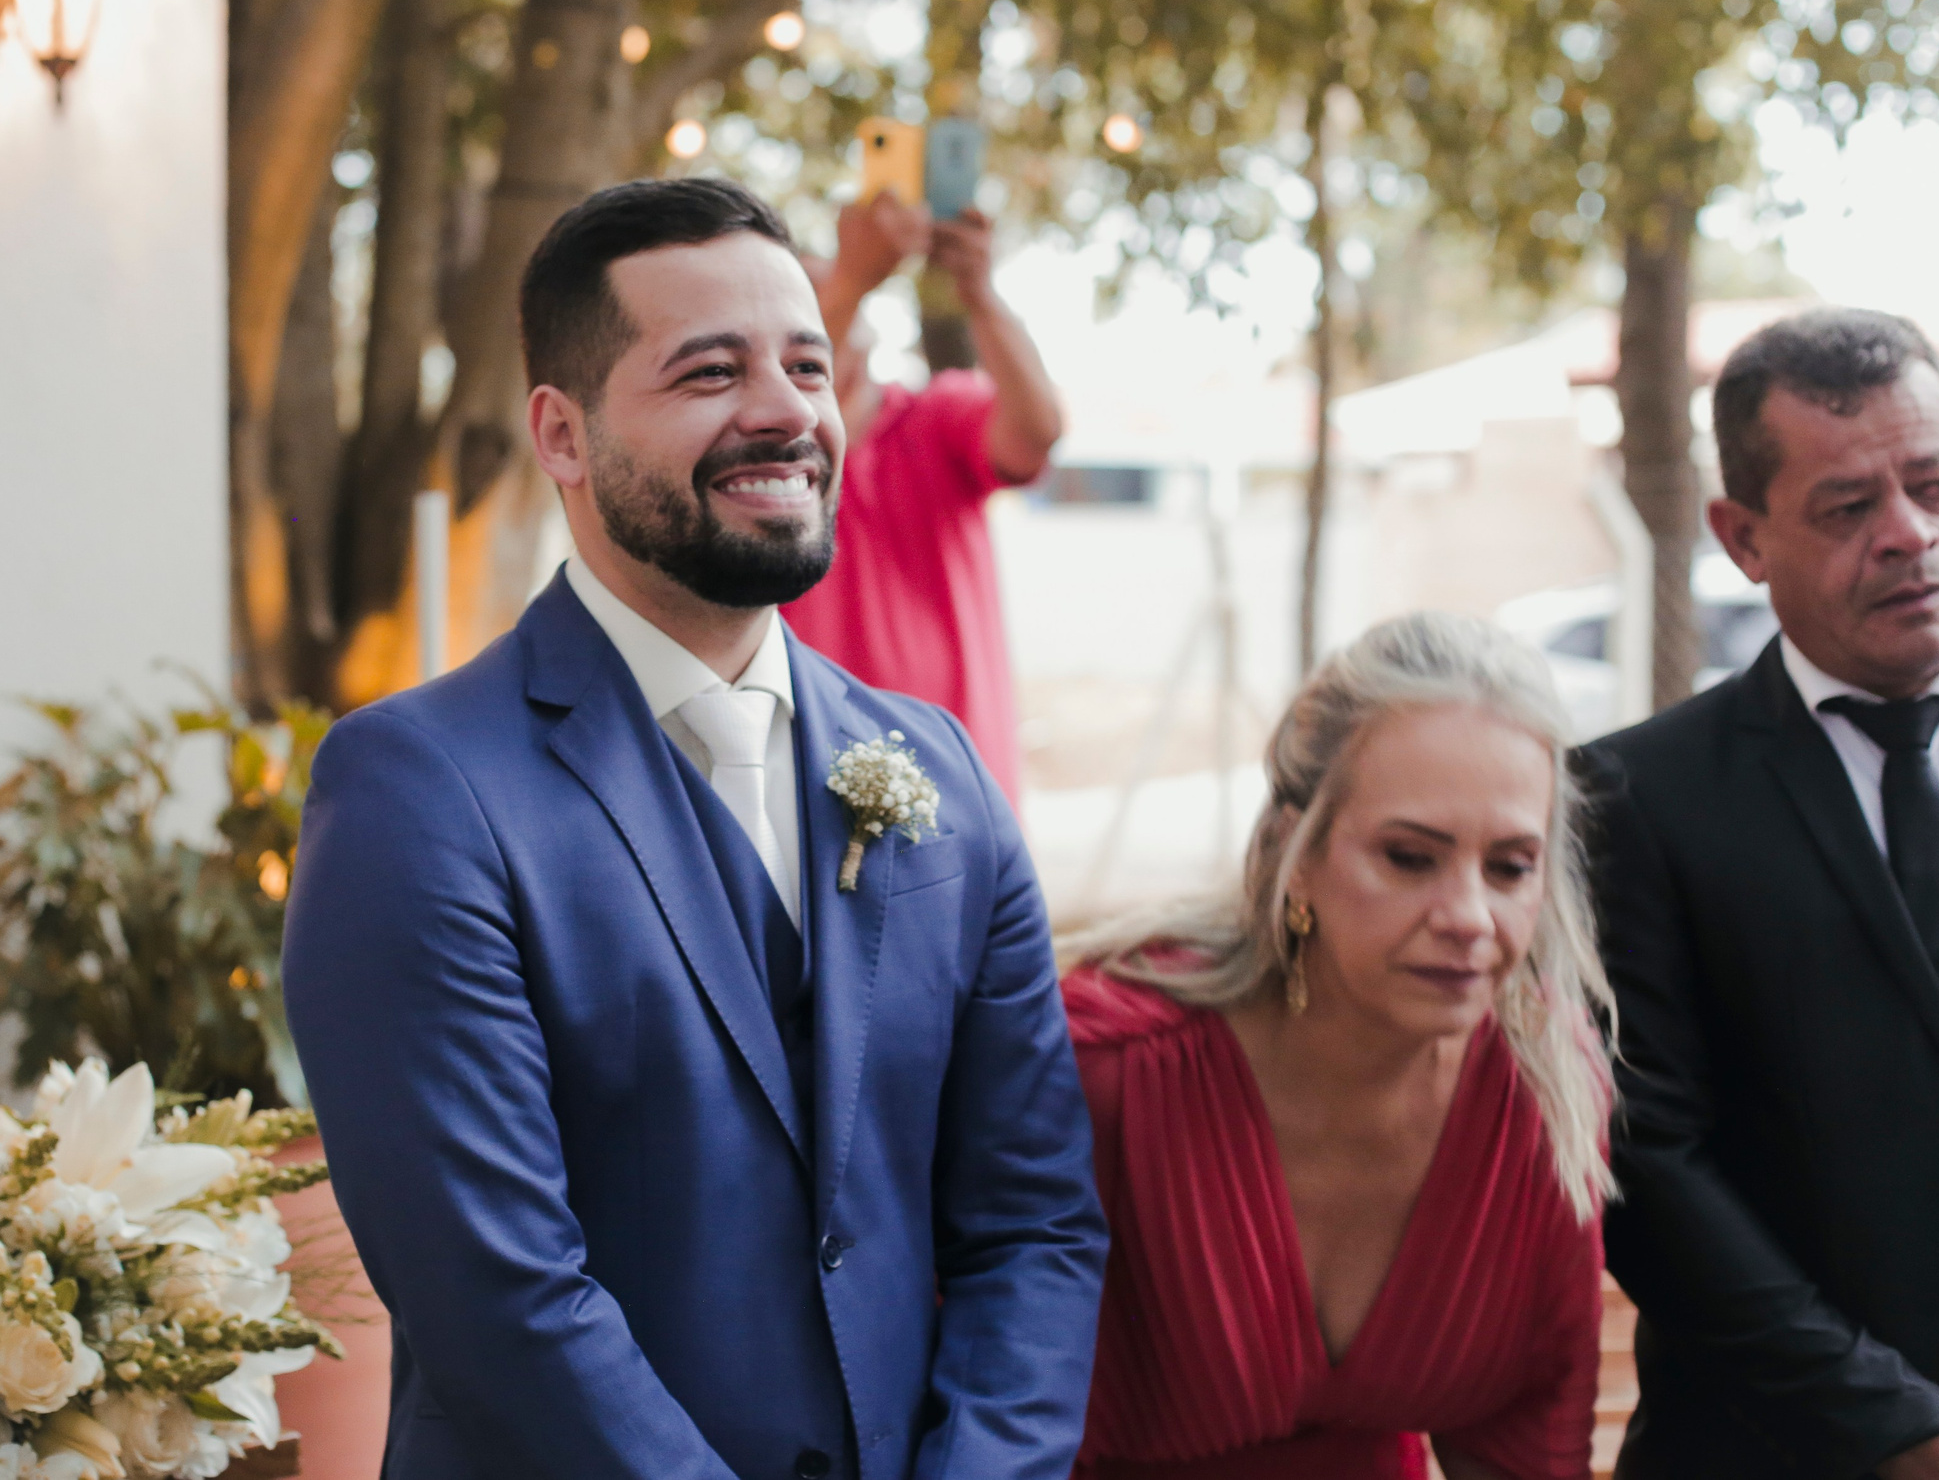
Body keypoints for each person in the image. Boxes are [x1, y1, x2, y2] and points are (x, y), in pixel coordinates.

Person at [281, 177, 1110, 1480]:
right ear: (562, 433)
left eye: (807, 365)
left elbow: (1035, 1224)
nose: (784, 410)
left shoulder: (936, 768)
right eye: (710, 372)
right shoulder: (415, 791)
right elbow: (503, 1293)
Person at [1587, 309, 1939, 1478]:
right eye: (1849, 508)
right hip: (1763, 1450)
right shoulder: (1630, 800)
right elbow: (1651, 1168)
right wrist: (1898, 1423)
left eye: (1933, 485)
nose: (1909, 535)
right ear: (1741, 537)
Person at [1064, 612, 1615, 1479]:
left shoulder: (1542, 1084)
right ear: (1297, 849)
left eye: (1510, 866)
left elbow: (1530, 1442)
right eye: (1409, 857)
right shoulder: (1107, 1074)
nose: (1470, 918)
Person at [781, 192, 1065, 805]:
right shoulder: (766, 462)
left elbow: (1037, 432)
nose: (820, 314)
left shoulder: (936, 416)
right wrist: (849, 280)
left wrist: (980, 295)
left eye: (820, 300)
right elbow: (779, 398)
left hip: (962, 800)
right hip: (814, 806)